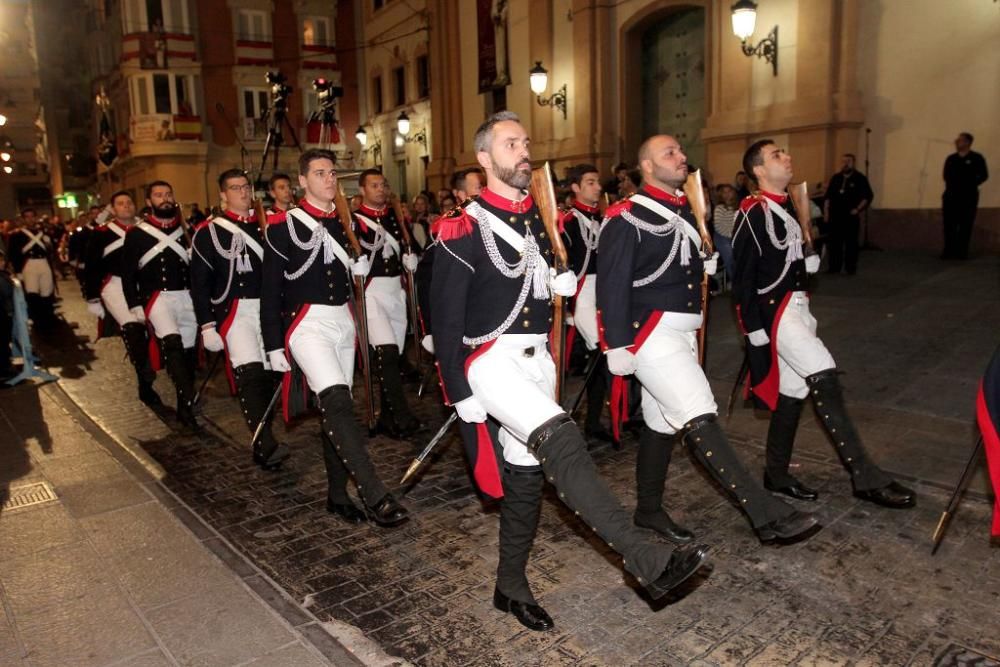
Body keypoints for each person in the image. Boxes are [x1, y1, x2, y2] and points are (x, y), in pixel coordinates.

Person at [431, 111, 710, 631]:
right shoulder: (461, 226)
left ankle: (509, 585)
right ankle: (645, 561)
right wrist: (458, 391)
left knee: (526, 476)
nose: (523, 150)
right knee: (563, 442)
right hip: (488, 362)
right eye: (510, 144)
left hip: (537, 360)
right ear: (485, 158)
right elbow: (445, 320)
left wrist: (554, 281)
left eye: (526, 142)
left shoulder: (535, 217)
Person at [596, 135, 819, 547]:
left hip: (683, 333)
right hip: (649, 333)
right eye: (670, 153)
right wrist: (617, 345)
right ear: (646, 166)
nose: (681, 158)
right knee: (699, 411)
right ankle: (764, 514)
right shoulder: (625, 215)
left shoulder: (686, 208)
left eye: (681, 152)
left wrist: (703, 260)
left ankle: (648, 510)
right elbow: (611, 285)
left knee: (661, 422)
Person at [731, 139, 916, 509]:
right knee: (823, 373)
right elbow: (743, 277)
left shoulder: (787, 205)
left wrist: (805, 259)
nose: (786, 156)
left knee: (795, 391)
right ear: (759, 170)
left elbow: (786, 252)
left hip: (799, 307)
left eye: (786, 151)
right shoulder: (752, 211)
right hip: (776, 311)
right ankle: (864, 475)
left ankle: (777, 473)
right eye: (776, 155)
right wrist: (753, 328)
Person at [261, 148, 409, 526]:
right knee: (339, 402)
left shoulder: (347, 222)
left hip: (343, 321)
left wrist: (359, 268)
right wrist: (273, 343)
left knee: (334, 410)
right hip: (307, 324)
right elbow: (271, 290)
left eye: (332, 173)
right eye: (320, 173)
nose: (329, 179)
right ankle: (375, 494)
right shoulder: (283, 226)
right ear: (302, 181)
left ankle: (336, 493)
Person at [190, 169, 290, 470]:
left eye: (246, 187)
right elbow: (200, 282)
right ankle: (263, 442)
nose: (244, 193)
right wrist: (207, 324)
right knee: (250, 373)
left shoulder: (266, 226)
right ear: (223, 195)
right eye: (235, 188)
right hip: (235, 311)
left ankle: (264, 430)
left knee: (273, 373)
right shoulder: (209, 232)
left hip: (269, 309)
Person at [121, 180, 200, 429]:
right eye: (158, 195)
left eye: (168, 194)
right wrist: (134, 303)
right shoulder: (137, 234)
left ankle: (184, 408)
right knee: (173, 344)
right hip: (157, 297)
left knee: (188, 353)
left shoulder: (188, 230)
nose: (164, 198)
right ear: (149, 202)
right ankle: (188, 393)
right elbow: (127, 273)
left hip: (186, 296)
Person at [352, 169, 422, 437]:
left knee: (390, 358)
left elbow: (412, 245)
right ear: (362, 190)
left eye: (383, 184)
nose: (380, 189)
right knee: (388, 353)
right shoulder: (354, 221)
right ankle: (401, 417)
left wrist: (411, 257)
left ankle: (388, 417)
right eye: (374, 185)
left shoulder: (395, 218)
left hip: (396, 291)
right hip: (371, 292)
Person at [83, 191, 161, 407]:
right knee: (133, 328)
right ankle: (144, 380)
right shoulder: (102, 233)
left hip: (143, 284)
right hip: (116, 285)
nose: (126, 206)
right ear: (113, 208)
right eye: (120, 203)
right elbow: (92, 267)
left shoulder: (148, 228)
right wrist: (92, 297)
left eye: (129, 202)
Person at [560, 164, 611, 442]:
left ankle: (595, 420)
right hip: (581, 294)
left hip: (605, 289)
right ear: (576, 188)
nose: (598, 187)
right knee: (603, 351)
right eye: (590, 182)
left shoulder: (604, 220)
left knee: (601, 357)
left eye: (597, 182)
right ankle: (595, 418)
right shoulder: (567, 221)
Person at [941, 132, 989, 260]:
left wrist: (970, 184)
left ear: (968, 142)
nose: (957, 141)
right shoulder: (951, 159)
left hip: (969, 197)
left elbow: (984, 175)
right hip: (951, 196)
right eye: (957, 139)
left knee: (965, 224)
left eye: (960, 140)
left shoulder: (977, 158)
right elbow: (946, 176)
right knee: (949, 224)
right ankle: (948, 251)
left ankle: (961, 253)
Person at [823, 154, 873, 275]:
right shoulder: (836, 178)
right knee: (834, 243)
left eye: (848, 161)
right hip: (835, 216)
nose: (845, 164)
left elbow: (867, 196)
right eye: (843, 161)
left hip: (850, 217)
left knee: (851, 243)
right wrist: (826, 212)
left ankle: (850, 268)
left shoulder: (860, 178)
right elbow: (828, 197)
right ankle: (834, 267)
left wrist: (857, 209)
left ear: (853, 163)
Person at [713, 184, 739, 279]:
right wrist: (732, 235)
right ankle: (734, 279)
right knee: (729, 254)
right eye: (725, 192)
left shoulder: (738, 207)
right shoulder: (719, 208)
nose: (727, 194)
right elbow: (719, 226)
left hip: (735, 235)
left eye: (729, 191)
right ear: (721, 195)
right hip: (722, 236)